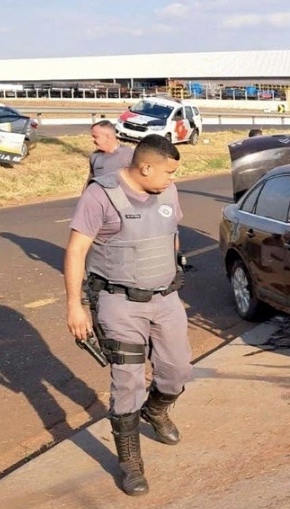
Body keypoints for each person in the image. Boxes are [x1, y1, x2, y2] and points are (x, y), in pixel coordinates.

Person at [64, 134, 191, 496]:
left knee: (178, 370)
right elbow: (76, 252)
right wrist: (75, 305)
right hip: (120, 303)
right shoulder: (100, 195)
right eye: (167, 172)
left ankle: (157, 410)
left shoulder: (168, 190)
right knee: (127, 384)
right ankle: (130, 463)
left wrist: (172, 267)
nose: (171, 179)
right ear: (145, 166)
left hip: (166, 299)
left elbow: (171, 233)